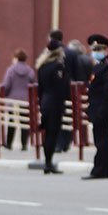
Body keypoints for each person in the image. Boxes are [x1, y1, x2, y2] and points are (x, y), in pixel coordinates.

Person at [84, 34, 108, 179]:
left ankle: (100, 170)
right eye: (94, 49)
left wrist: (101, 110)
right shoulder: (98, 65)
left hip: (102, 108)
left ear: (105, 49)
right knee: (100, 139)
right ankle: (102, 169)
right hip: (96, 107)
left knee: (102, 140)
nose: (94, 51)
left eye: (97, 49)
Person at [36, 39, 69, 174]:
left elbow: (40, 88)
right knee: (52, 133)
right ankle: (48, 163)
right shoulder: (58, 66)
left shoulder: (42, 65)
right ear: (58, 51)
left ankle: (47, 162)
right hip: (55, 103)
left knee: (48, 133)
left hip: (45, 102)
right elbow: (61, 87)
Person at [0, 49, 35, 150]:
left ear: (15, 58)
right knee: (24, 122)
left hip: (13, 100)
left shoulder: (11, 69)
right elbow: (33, 83)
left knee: (12, 121)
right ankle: (24, 144)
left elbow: (6, 85)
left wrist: (5, 94)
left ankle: (9, 143)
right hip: (26, 100)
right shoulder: (30, 70)